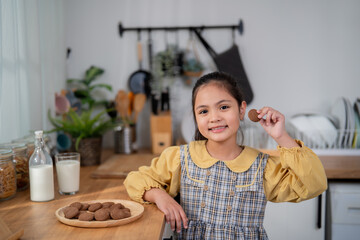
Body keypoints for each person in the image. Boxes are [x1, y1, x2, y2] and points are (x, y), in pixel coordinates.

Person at [124, 71, 327, 239]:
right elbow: (135, 180)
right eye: (203, 111)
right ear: (195, 117)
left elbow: (314, 184)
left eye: (223, 107)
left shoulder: (263, 167)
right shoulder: (180, 158)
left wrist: (281, 136)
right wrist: (160, 196)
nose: (214, 118)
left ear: (241, 110)